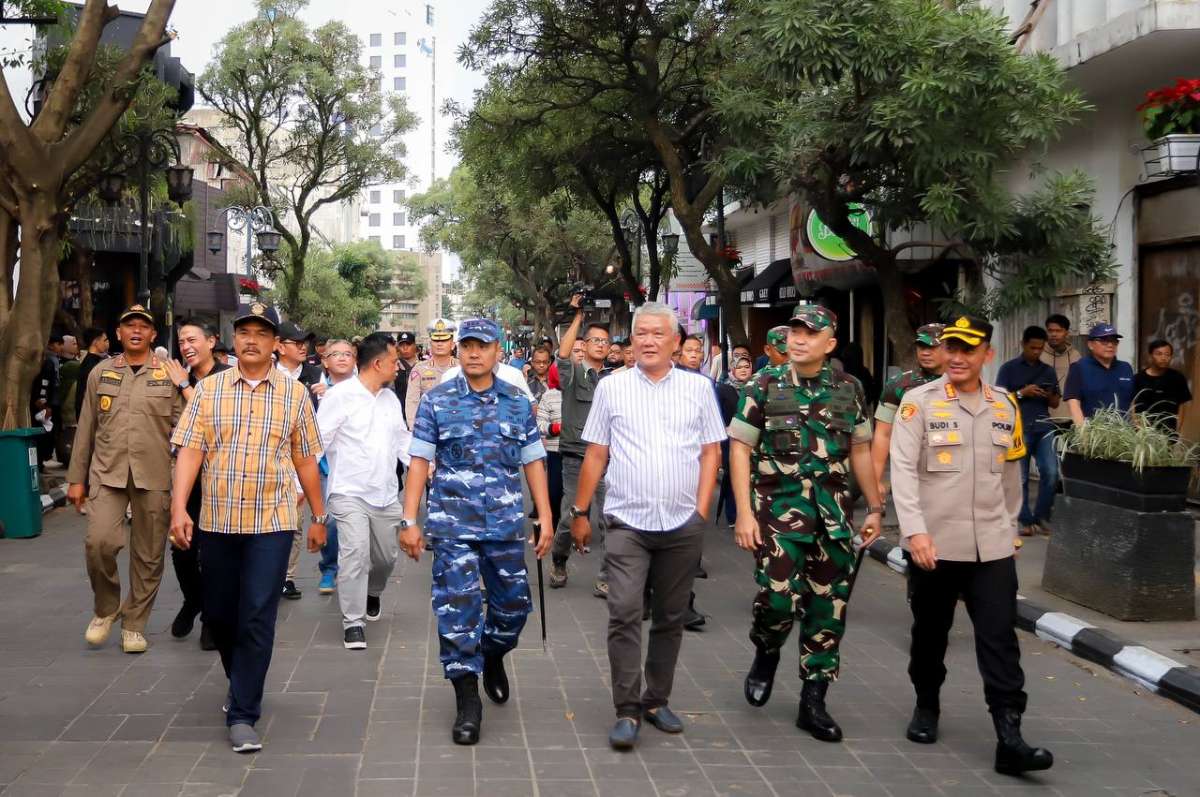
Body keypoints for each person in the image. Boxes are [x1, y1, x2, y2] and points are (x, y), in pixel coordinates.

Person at [889, 314, 1053, 776]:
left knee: (1000, 638)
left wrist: (1010, 527)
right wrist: (915, 532)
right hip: (935, 546)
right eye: (951, 349)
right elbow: (902, 472)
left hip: (993, 547)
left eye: (968, 349)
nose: (957, 358)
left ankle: (1010, 736)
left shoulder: (1004, 405)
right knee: (929, 636)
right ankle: (926, 705)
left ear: (987, 354)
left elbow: (1011, 474)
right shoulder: (916, 403)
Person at [168, 302, 327, 754]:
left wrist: (318, 516)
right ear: (234, 340)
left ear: (276, 343)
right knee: (218, 615)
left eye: (262, 332)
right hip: (216, 521)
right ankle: (241, 680)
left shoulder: (294, 395)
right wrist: (180, 507)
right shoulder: (208, 390)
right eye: (244, 332)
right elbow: (190, 452)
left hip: (272, 523)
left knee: (257, 612)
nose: (252, 340)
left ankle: (243, 712)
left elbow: (305, 459)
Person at [568, 302, 725, 751]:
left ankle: (657, 700)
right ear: (631, 342)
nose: (650, 341)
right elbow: (596, 452)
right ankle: (626, 709)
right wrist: (580, 513)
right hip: (627, 521)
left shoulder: (698, 389)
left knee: (671, 616)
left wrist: (699, 510)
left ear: (677, 342)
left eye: (659, 334)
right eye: (642, 334)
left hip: (681, 523)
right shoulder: (613, 388)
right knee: (623, 612)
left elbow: (712, 450)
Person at [728, 304, 883, 743]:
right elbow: (740, 449)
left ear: (829, 344)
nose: (798, 339)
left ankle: (812, 701)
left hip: (834, 519)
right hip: (778, 514)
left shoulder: (848, 389)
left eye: (809, 333)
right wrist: (743, 512)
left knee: (827, 607)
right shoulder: (764, 384)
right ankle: (767, 649)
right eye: (795, 330)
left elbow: (860, 450)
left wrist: (874, 507)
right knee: (777, 600)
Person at [399, 318, 553, 746]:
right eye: (466, 345)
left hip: (504, 526)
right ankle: (468, 699)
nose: (472, 353)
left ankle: (494, 652)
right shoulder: (437, 401)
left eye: (481, 346)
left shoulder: (518, 403)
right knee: (457, 613)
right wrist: (409, 520)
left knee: (514, 609)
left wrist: (544, 514)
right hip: (451, 527)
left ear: (497, 352)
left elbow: (534, 461)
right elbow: (418, 463)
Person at [66, 305, 183, 654]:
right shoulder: (100, 373)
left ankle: (135, 624)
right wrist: (76, 478)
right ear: (118, 333)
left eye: (142, 327)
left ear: (152, 335)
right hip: (108, 472)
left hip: (155, 474)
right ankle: (106, 608)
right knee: (99, 542)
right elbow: (86, 427)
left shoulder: (168, 375)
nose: (135, 330)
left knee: (148, 555)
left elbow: (188, 425)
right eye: (128, 325)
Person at [318, 333, 410, 650]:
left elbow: (402, 442)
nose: (398, 367)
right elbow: (318, 443)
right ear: (377, 363)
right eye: (395, 361)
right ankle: (353, 622)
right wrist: (302, 485)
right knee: (354, 554)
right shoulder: (339, 396)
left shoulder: (389, 399)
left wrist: (429, 468)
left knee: (385, 558)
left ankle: (373, 592)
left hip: (385, 494)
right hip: (348, 492)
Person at [162, 318, 230, 649]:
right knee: (182, 548)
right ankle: (193, 599)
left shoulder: (227, 378)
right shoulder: (180, 377)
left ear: (211, 341)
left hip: (220, 480)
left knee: (214, 554)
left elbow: (211, 418)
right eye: (182, 342)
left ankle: (211, 620)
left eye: (192, 340)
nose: (186, 347)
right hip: (186, 477)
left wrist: (183, 387)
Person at [550, 294, 611, 595]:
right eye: (595, 340)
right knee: (570, 515)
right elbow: (562, 355)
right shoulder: (573, 374)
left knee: (610, 518)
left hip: (608, 460)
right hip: (575, 457)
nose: (600, 345)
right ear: (585, 345)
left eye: (605, 341)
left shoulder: (616, 381)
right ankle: (560, 560)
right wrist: (577, 317)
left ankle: (607, 577)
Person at [274, 320, 325, 600]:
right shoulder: (268, 372)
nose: (303, 347)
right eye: (296, 342)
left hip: (302, 456)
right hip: (271, 456)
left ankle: (287, 577)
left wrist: (326, 396)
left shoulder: (316, 374)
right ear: (279, 346)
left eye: (305, 342)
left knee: (294, 519)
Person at [995, 326, 1061, 536]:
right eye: (1032, 348)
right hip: (1018, 428)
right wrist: (1023, 393)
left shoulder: (1048, 370)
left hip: (1044, 426)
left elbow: (1056, 402)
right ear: (1023, 344)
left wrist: (1048, 395)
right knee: (1020, 477)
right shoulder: (1008, 369)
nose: (1036, 352)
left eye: (1040, 349)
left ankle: (1042, 516)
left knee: (1051, 472)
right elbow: (1000, 400)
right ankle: (1024, 520)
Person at [871, 323, 945, 499]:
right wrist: (875, 481)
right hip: (912, 477)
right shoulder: (898, 385)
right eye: (921, 346)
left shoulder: (962, 384)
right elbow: (883, 434)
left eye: (933, 346)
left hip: (954, 476)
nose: (925, 352)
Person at [313, 340, 359, 594]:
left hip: (355, 466)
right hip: (322, 465)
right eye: (335, 354)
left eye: (347, 354)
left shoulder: (366, 387)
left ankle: (353, 569)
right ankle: (330, 567)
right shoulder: (311, 386)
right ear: (324, 360)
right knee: (328, 520)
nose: (342, 358)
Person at [1063, 322, 1135, 424]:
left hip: (1124, 434)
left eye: (1114, 341)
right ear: (1090, 345)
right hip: (1094, 434)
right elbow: (1073, 404)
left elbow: (1131, 403)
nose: (1110, 345)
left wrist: (1137, 430)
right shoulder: (1079, 367)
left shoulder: (1125, 368)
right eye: (1104, 341)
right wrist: (1084, 434)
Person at [406, 318, 459, 424]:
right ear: (430, 343)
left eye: (444, 340)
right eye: (436, 340)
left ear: (452, 345)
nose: (440, 344)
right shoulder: (419, 369)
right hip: (428, 426)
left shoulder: (462, 368)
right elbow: (412, 401)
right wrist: (413, 428)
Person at [1133, 339, 1192, 432]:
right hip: (1144, 435)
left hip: (1168, 434)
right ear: (1150, 356)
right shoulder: (1138, 379)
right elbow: (1132, 405)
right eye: (1159, 354)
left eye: (1167, 354)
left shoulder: (1177, 378)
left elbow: (1182, 405)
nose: (1164, 358)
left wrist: (1177, 430)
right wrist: (1137, 427)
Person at [536, 368, 565, 541]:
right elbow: (540, 423)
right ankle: (551, 526)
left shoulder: (585, 393)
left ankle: (574, 531)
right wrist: (553, 429)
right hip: (556, 451)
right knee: (554, 492)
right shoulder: (549, 396)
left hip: (579, 451)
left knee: (577, 495)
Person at [1040, 314, 1081, 430]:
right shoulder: (1039, 355)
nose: (1054, 334)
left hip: (1071, 416)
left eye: (1058, 331)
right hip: (1045, 417)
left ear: (1066, 333)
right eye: (1050, 331)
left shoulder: (1075, 356)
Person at [75, 327, 110, 420]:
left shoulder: (93, 361)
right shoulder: (92, 365)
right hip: (89, 415)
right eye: (105, 340)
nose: (108, 343)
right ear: (96, 342)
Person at [393, 331, 419, 425]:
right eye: (402, 345)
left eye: (408, 344)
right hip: (400, 418)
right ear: (397, 347)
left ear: (415, 346)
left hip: (421, 417)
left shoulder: (424, 367)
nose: (405, 348)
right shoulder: (392, 368)